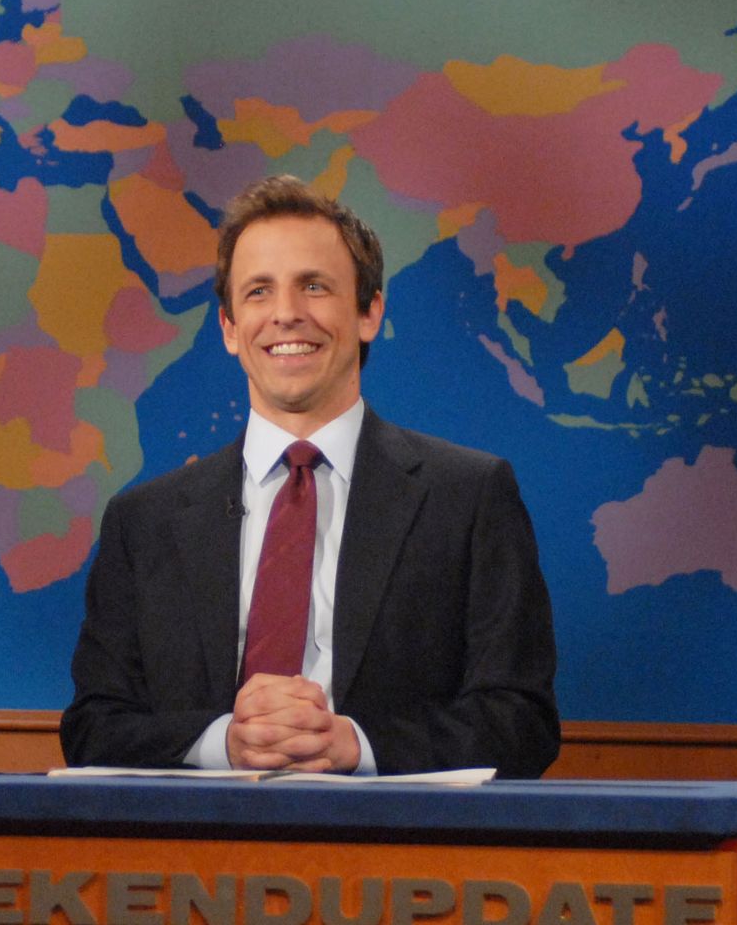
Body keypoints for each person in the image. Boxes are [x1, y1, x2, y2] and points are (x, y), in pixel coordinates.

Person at [61, 175, 560, 778]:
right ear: (228, 328)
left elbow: (521, 723)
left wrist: (354, 744)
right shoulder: (142, 522)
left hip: (394, 858)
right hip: (193, 856)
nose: (287, 315)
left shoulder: (470, 497)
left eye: (315, 287)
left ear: (369, 312)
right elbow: (94, 726)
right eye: (258, 292)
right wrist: (226, 743)